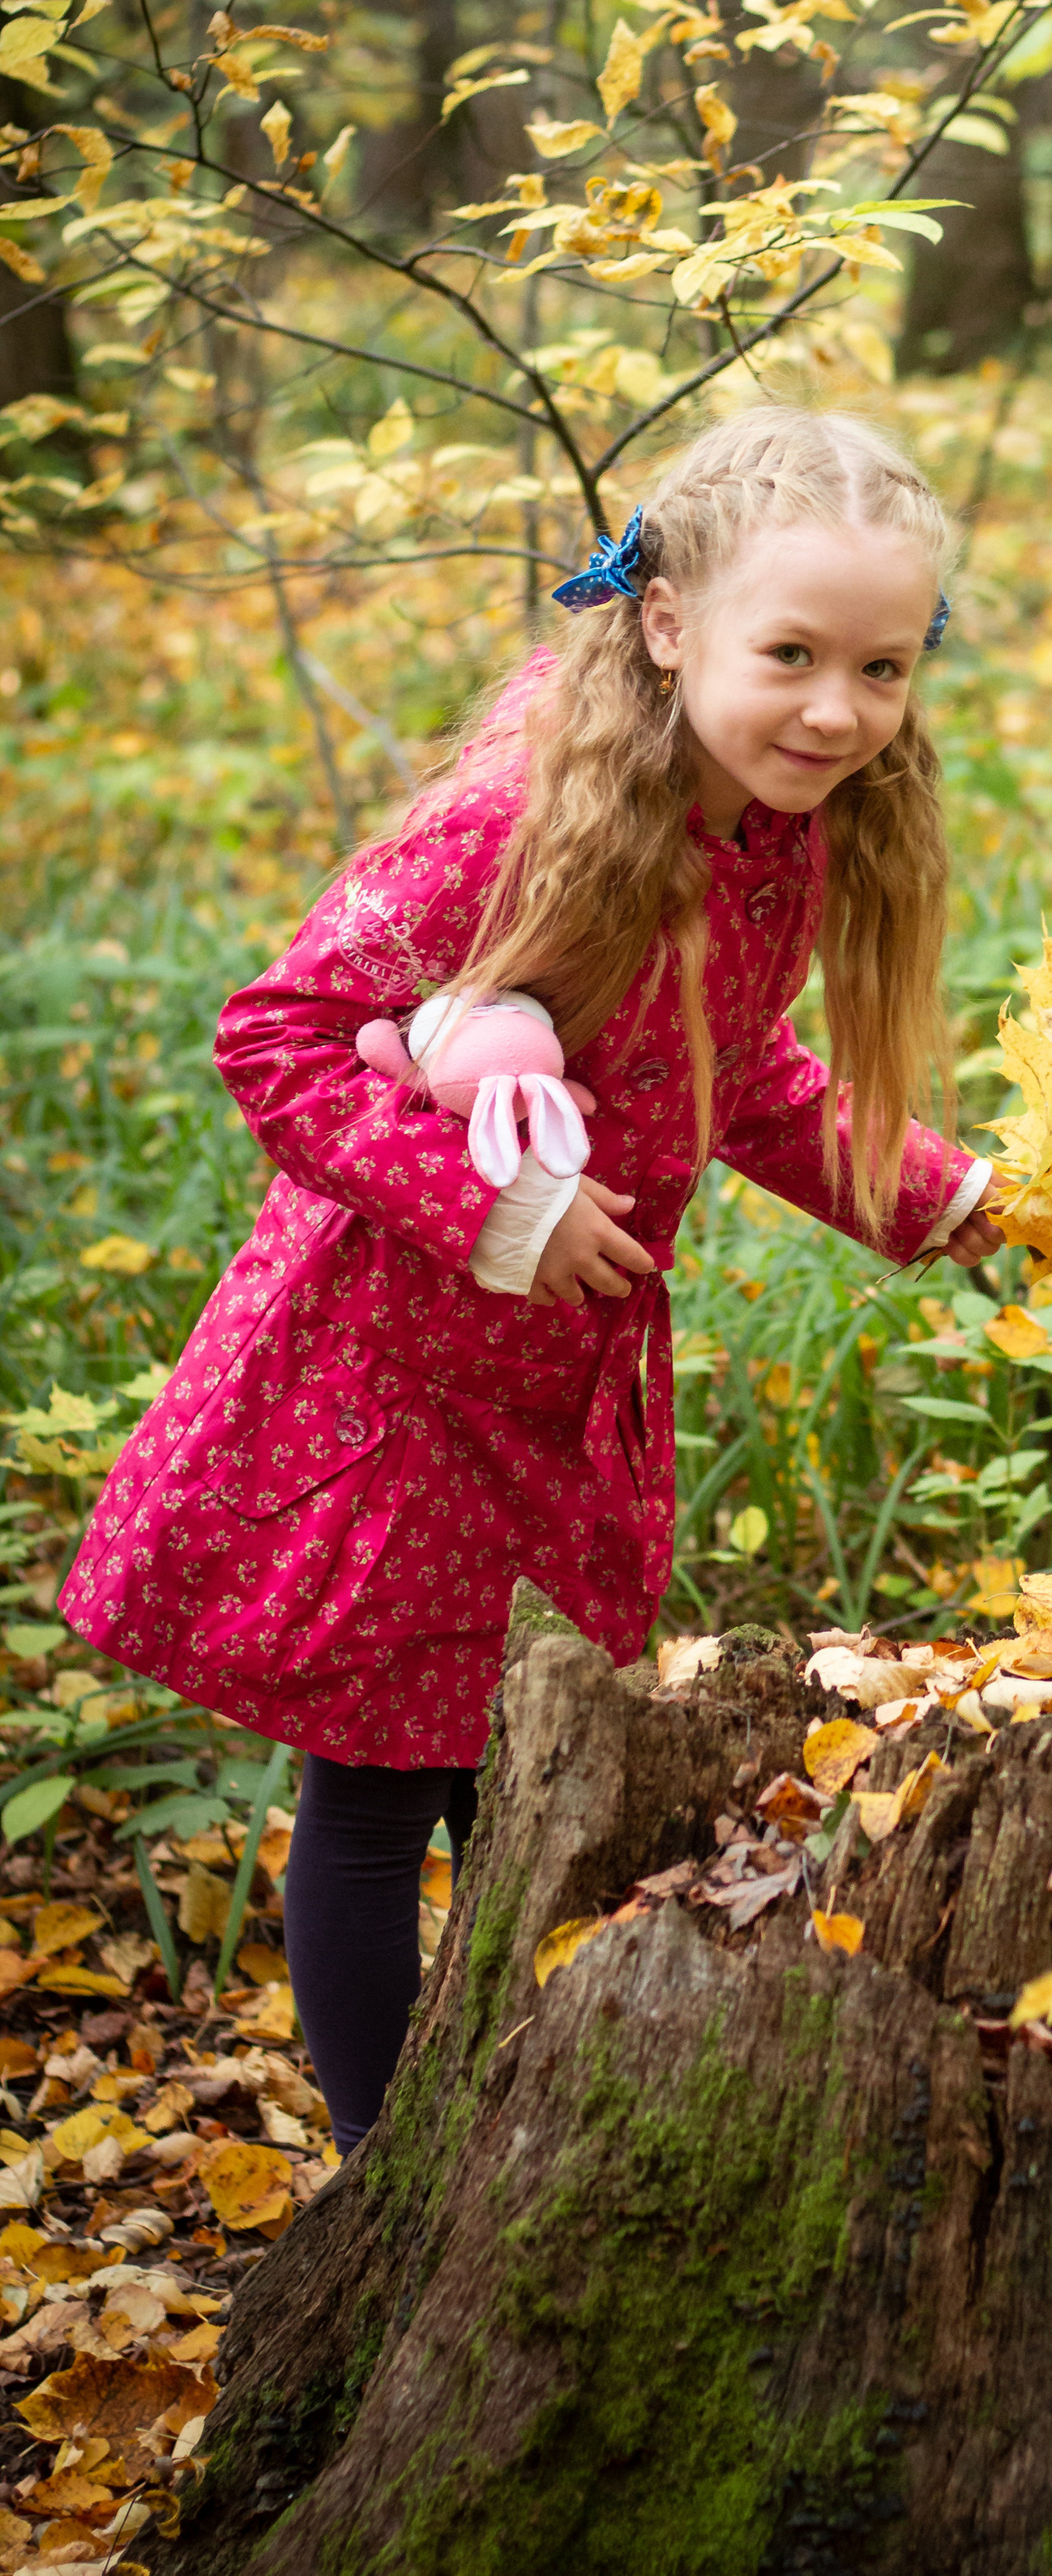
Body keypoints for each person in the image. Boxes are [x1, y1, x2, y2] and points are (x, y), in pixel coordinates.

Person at [65, 405, 1000, 2153]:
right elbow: (274, 1037)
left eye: (881, 668)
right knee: (376, 1783)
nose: (834, 710)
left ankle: (503, 2130)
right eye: (788, 655)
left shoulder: (779, 838)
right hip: (384, 1368)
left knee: (521, 1769)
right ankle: (387, 2175)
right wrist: (495, 1211)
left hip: (550, 1386)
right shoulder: (520, 817)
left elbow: (742, 1073)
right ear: (667, 624)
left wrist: (940, 1195)